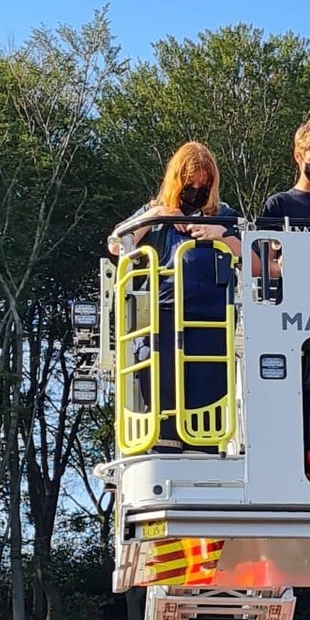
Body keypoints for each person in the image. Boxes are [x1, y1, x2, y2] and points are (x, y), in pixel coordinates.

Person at [108, 142, 242, 450]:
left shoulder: (223, 215)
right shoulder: (154, 212)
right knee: (160, 389)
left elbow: (261, 263)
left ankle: (205, 447)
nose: (195, 190)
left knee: (206, 392)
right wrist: (157, 215)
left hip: (212, 320)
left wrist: (221, 235)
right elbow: (116, 245)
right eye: (189, 184)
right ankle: (162, 444)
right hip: (162, 318)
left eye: (203, 185)